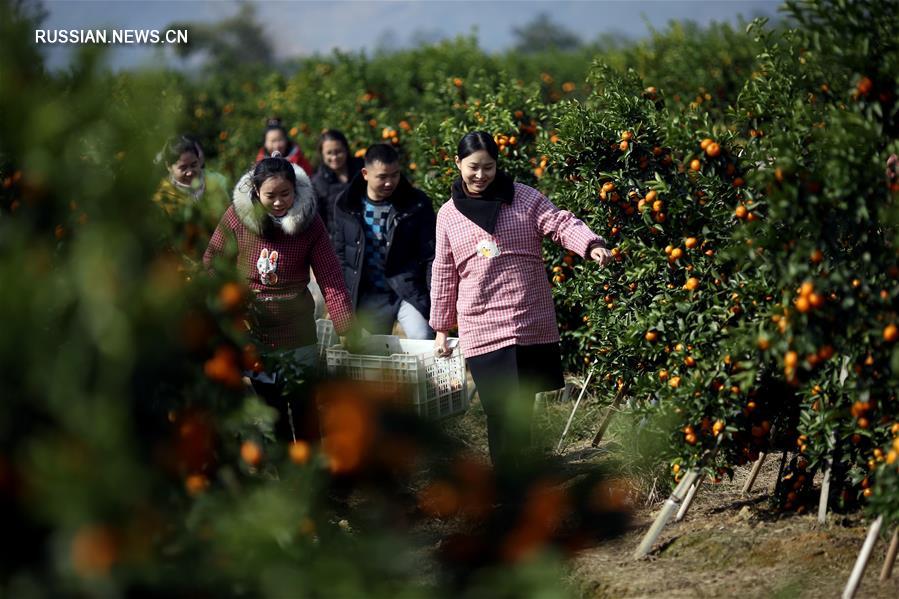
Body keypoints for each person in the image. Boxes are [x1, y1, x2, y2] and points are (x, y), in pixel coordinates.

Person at [430, 131, 612, 469]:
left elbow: (559, 222)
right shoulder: (448, 215)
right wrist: (441, 329)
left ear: (498, 165)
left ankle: (520, 475)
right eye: (473, 168)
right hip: (482, 324)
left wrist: (590, 244)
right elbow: (443, 272)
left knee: (521, 404)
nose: (481, 176)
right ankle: (508, 479)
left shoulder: (524, 198)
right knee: (499, 408)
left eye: (488, 167)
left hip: (527, 318)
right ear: (457, 164)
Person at [203, 153, 354, 438]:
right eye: (270, 195)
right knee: (271, 409)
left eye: (285, 194)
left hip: (298, 331)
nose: (278, 202)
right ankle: (284, 471)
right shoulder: (237, 217)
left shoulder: (309, 222)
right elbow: (212, 261)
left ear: (296, 190)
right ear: (255, 192)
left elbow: (330, 276)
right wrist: (232, 306)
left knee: (304, 407)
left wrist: (344, 324)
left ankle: (312, 470)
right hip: (255, 332)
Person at [331, 143, 436, 339]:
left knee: (423, 339)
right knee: (371, 354)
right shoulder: (347, 205)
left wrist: (433, 297)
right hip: (370, 293)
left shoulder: (416, 203)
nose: (389, 182)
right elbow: (340, 255)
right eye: (382, 177)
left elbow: (430, 254)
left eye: (394, 175)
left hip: (407, 290)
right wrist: (343, 303)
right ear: (365, 173)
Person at [153, 135, 230, 260]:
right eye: (182, 168)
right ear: (169, 166)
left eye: (194, 165)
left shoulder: (216, 184)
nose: (190, 172)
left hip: (221, 258)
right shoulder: (164, 198)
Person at [311, 129, 364, 236]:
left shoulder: (362, 170)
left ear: (346, 150)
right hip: (337, 240)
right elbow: (318, 219)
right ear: (322, 154)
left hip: (365, 233)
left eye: (338, 151)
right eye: (329, 153)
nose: (334, 157)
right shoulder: (317, 182)